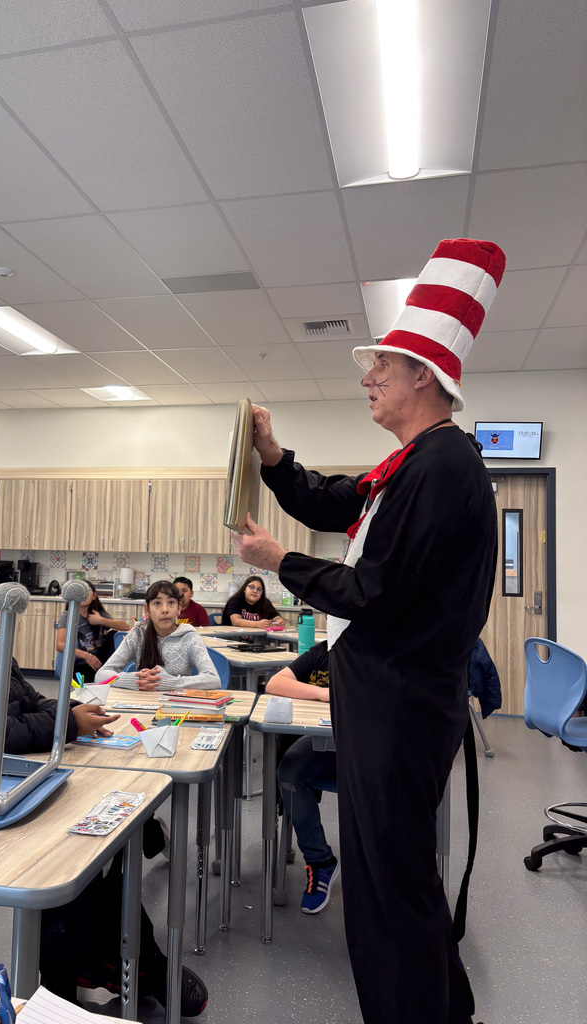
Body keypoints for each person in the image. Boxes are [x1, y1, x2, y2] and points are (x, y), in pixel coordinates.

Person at [232, 238, 505, 1024]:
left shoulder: (441, 467)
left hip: (399, 703)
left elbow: (370, 593)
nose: (367, 379)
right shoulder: (414, 464)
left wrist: (279, 561)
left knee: (390, 891)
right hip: (389, 698)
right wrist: (273, 457)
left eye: (380, 366)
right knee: (397, 879)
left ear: (424, 373)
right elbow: (332, 500)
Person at [0, 556, 208, 1017]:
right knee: (77, 847)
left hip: (5, 782)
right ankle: (109, 969)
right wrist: (66, 725)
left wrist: (72, 711)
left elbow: (31, 702)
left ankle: (100, 965)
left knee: (110, 830)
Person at [265, 642, 340, 914]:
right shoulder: (323, 652)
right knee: (290, 772)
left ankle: (380, 868)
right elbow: (275, 684)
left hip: (373, 747)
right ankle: (320, 861)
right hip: (327, 744)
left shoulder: (381, 649)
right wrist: (323, 694)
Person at [96, 581, 219, 691]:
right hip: (140, 703)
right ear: (147, 610)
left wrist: (171, 683)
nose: (165, 609)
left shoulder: (189, 637)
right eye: (157, 603)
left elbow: (213, 679)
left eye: (171, 602)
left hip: (176, 705)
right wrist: (135, 680)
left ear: (179, 608)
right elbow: (101, 675)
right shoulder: (138, 634)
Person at [55, 580, 131, 682]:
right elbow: (60, 645)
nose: (83, 595)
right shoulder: (67, 616)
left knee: (113, 634)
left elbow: (125, 627)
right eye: (80, 592)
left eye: (87, 591)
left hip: (100, 661)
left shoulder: (97, 614)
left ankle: (111, 670)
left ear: (94, 596)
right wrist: (87, 656)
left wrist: (101, 620)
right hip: (81, 664)